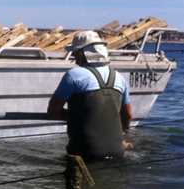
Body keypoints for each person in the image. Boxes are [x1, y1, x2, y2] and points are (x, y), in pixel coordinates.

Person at [47, 30, 132, 160]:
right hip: (117, 151)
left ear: (82, 53)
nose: (74, 57)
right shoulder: (120, 77)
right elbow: (128, 115)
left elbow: (53, 111)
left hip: (84, 152)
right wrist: (122, 135)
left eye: (75, 53)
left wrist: (82, 117)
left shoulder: (74, 75)